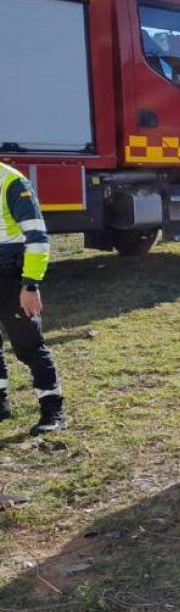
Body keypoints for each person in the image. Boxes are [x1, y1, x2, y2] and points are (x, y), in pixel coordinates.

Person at [0, 162, 65, 435]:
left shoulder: (11, 182)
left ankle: (53, 411)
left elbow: (37, 236)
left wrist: (30, 284)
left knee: (28, 346)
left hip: (11, 276)